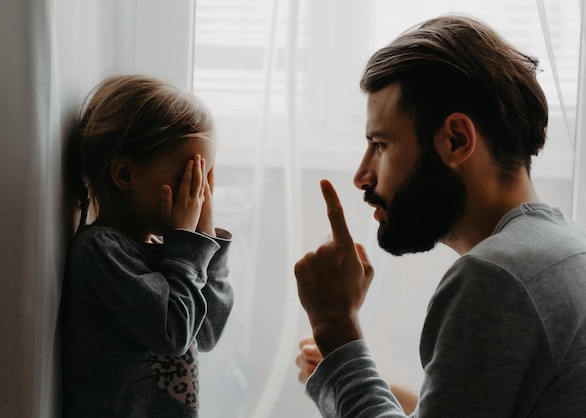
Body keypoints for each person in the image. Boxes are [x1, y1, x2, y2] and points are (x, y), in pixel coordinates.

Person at [294, 14, 586, 417]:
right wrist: (350, 371)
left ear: (456, 139)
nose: (362, 176)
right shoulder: (566, 252)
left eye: (380, 144)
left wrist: (335, 329)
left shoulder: (496, 278)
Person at [61, 74, 234, 418]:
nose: (197, 194)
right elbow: (173, 332)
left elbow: (208, 330)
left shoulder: (171, 252)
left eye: (203, 180)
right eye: (188, 177)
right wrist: (189, 247)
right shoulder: (102, 250)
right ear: (125, 175)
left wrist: (206, 236)